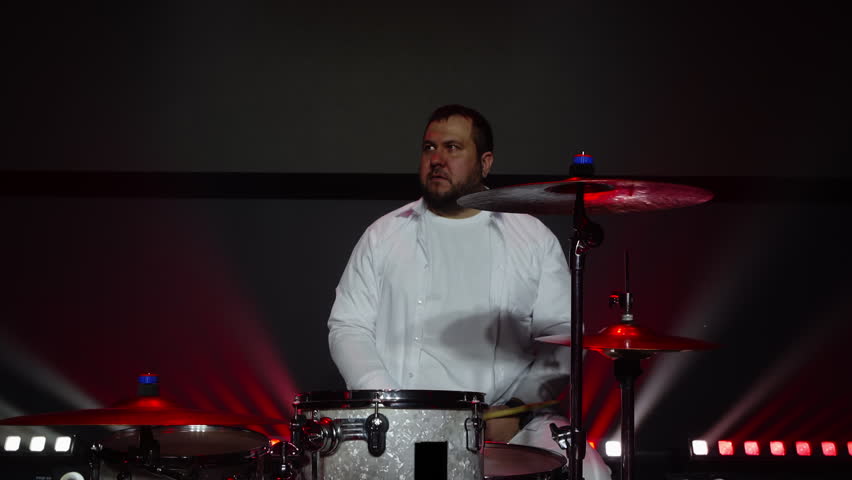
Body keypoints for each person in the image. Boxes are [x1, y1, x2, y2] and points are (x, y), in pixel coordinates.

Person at [328, 104, 611, 480]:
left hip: (508, 422)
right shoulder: (383, 235)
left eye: (452, 148)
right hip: (402, 420)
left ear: (486, 162)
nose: (437, 160)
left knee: (588, 469)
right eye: (429, 148)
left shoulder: (530, 238)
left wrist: (515, 409)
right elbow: (348, 326)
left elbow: (561, 338)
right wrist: (390, 404)